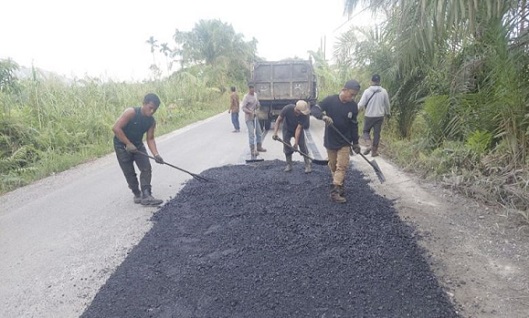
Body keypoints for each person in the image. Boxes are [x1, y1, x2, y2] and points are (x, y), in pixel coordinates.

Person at [311, 80, 362, 203]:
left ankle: (334, 193)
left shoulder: (353, 106)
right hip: (331, 139)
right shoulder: (330, 100)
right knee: (333, 166)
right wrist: (323, 116)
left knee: (342, 166)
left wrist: (355, 142)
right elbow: (314, 109)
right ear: (344, 90)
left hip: (345, 140)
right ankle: (339, 184)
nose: (352, 97)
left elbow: (354, 125)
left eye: (354, 95)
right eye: (351, 94)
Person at [112, 93, 165, 206]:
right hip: (122, 145)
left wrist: (156, 155)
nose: (151, 112)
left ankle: (146, 195)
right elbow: (116, 128)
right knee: (129, 171)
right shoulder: (131, 112)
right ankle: (137, 193)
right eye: (150, 108)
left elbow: (150, 139)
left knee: (146, 168)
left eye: (154, 110)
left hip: (137, 144)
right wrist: (128, 143)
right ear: (144, 104)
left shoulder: (151, 121)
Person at [272, 100, 312, 173]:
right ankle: (289, 164)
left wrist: (296, 144)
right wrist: (275, 133)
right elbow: (278, 120)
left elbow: (298, 129)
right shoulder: (287, 109)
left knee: (302, 145)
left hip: (297, 128)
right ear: (297, 110)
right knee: (286, 144)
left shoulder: (304, 116)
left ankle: (307, 164)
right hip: (287, 128)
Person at [357, 74, 391, 157]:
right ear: (379, 81)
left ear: (371, 81)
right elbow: (387, 104)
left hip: (369, 116)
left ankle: (368, 145)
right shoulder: (383, 91)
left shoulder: (367, 91)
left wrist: (355, 111)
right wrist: (388, 113)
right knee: (377, 134)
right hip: (379, 116)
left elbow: (361, 104)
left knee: (365, 131)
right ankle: (374, 152)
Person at [241, 84, 266, 156]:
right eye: (251, 90)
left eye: (253, 90)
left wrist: (258, 105)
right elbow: (243, 107)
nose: (253, 91)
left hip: (255, 116)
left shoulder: (255, 95)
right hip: (249, 118)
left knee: (259, 132)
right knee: (251, 133)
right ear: (249, 89)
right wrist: (250, 112)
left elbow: (257, 103)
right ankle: (252, 150)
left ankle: (259, 146)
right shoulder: (246, 97)